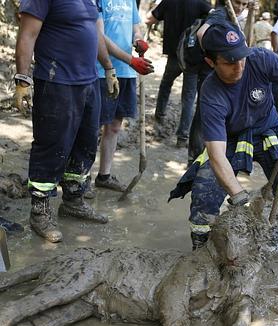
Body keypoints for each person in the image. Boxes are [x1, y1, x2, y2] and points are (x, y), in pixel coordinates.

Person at [169, 21, 278, 268]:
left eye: (241, 58)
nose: (239, 67)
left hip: (269, 129)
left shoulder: (260, 59)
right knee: (204, 192)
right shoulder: (211, 92)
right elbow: (216, 154)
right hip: (231, 139)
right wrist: (238, 197)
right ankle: (201, 256)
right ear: (211, 63)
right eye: (229, 62)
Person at [14, 0, 120, 243]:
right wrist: (22, 80)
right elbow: (28, 34)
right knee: (52, 145)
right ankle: (40, 212)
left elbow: (95, 33)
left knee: (85, 145)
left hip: (89, 82)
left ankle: (73, 201)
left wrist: (108, 67)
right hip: (56, 82)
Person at [93, 0, 152, 192]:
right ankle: (79, 179)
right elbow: (99, 36)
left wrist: (138, 40)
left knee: (114, 127)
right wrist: (131, 60)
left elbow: (136, 27)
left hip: (126, 72)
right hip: (103, 70)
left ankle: (104, 175)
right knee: (91, 127)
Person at [187, 0, 255, 166]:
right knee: (204, 111)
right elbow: (201, 33)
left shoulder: (238, 16)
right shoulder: (220, 13)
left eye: (244, 4)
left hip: (230, 70)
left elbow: (246, 40)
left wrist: (252, 14)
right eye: (238, 2)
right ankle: (195, 155)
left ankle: (218, 152)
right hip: (213, 69)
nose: (240, 7)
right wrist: (217, 58)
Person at [146, 0, 212, 148]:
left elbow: (150, 19)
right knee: (188, 98)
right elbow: (214, 19)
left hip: (174, 55)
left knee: (165, 85)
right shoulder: (202, 3)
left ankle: (159, 116)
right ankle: (182, 137)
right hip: (192, 57)